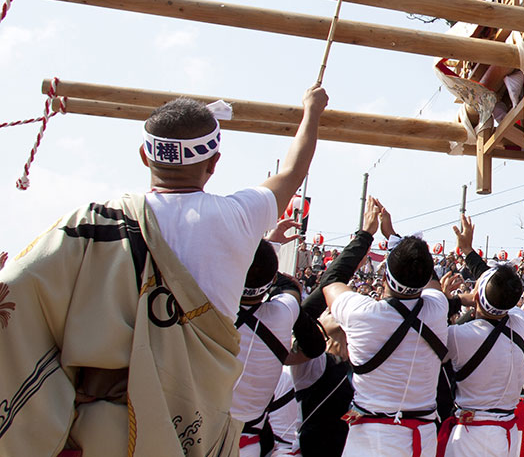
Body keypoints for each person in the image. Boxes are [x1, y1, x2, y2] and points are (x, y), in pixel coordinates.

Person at [0, 85, 327, 455]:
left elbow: (13, 283)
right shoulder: (239, 217)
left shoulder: (95, 221)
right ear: (214, 162)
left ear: (144, 155)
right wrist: (311, 113)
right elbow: (293, 169)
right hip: (195, 425)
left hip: (103, 430)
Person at [323, 226, 458, 457]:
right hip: (422, 438)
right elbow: (432, 283)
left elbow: (331, 280)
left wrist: (366, 234)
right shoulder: (437, 309)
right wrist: (396, 238)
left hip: (370, 439)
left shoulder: (361, 312)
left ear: (385, 275)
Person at [440, 215, 524, 457]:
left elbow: (433, 331)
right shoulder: (522, 323)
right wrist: (469, 252)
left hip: (470, 435)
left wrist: (449, 300)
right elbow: (498, 290)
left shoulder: (458, 337)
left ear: (475, 298)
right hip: (507, 437)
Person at [233, 239, 303, 457]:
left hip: (194, 437)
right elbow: (291, 289)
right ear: (273, 278)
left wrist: (273, 243)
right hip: (248, 447)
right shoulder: (284, 312)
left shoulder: (211, 307)